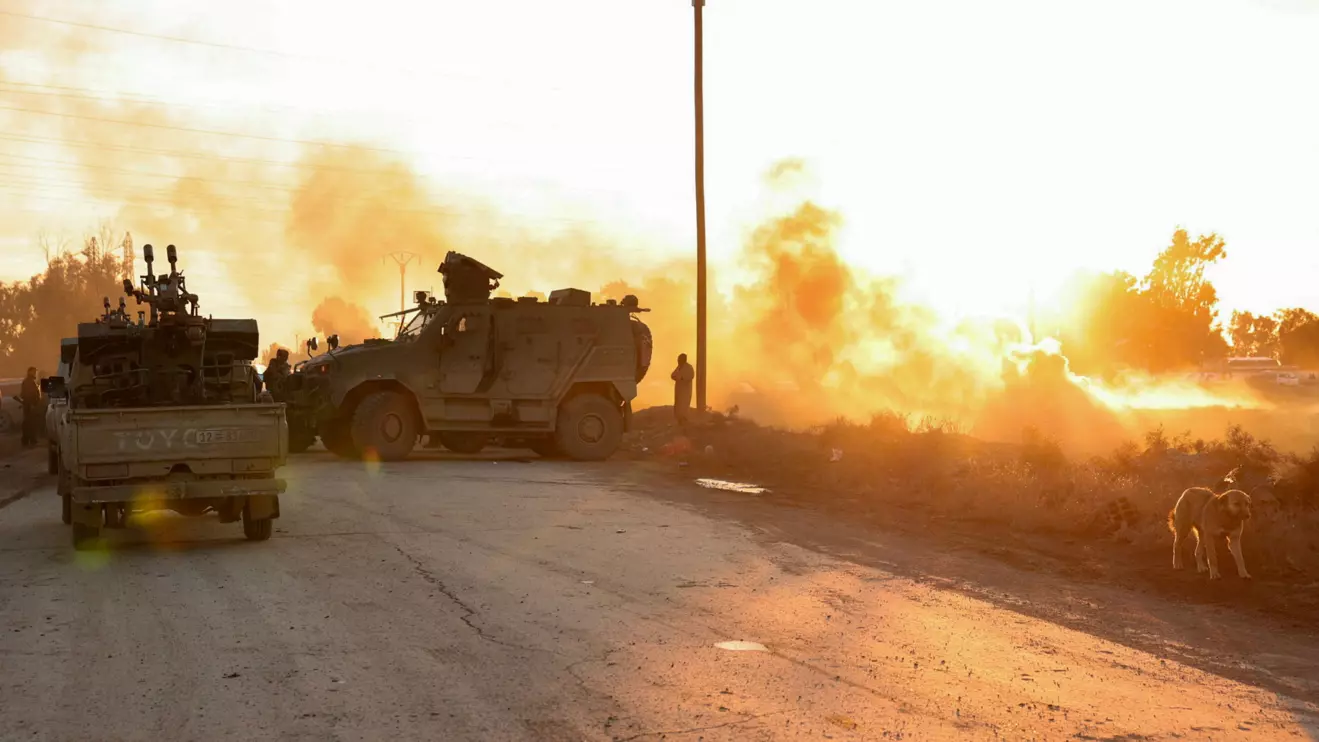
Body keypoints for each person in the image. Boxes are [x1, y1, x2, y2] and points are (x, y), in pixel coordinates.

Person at [19, 366, 41, 447]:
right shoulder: (28, 382)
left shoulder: (31, 381)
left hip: (31, 405)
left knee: (30, 423)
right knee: (29, 423)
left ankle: (29, 440)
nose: (35, 373)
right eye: (34, 372)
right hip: (29, 405)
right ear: (30, 372)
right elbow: (28, 394)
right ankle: (29, 440)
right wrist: (31, 404)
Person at [671, 353, 694, 425]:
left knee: (684, 405)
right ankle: (679, 420)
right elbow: (672, 375)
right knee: (678, 405)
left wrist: (682, 378)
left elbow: (691, 376)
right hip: (679, 390)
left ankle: (684, 420)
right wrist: (676, 377)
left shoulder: (689, 367)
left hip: (685, 390)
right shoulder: (679, 367)